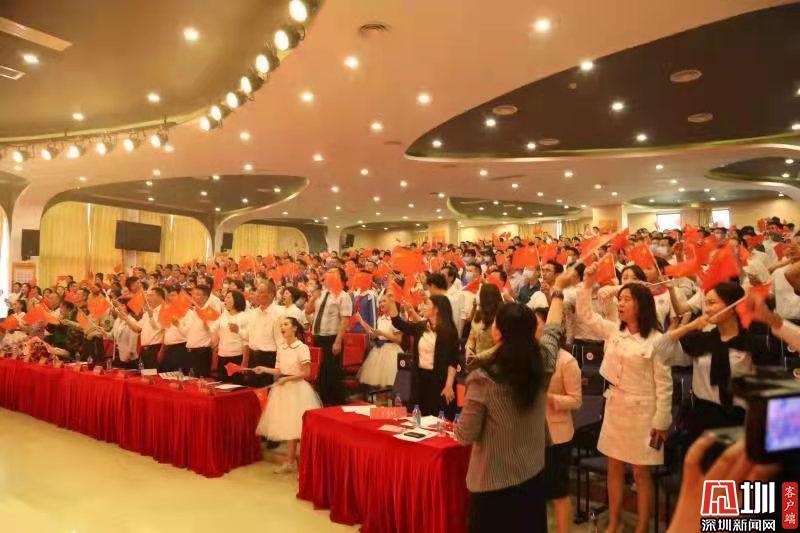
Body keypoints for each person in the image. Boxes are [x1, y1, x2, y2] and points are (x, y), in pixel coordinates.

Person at [454, 280, 564, 533]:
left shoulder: (482, 379)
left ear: (498, 333)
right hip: (532, 477)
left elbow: (465, 435)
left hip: (493, 487)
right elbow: (552, 332)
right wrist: (558, 290)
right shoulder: (542, 365)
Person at [578, 262, 673, 533]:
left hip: (644, 413)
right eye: (620, 299)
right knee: (614, 467)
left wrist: (662, 422)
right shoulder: (614, 331)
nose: (620, 304)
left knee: (641, 473)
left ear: (641, 305)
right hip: (616, 407)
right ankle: (615, 522)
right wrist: (588, 283)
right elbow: (585, 315)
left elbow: (665, 386)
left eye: (627, 299)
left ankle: (642, 527)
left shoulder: (656, 340)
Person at [254, 317, 322, 473]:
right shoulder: (282, 347)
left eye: (286, 324)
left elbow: (306, 373)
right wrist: (263, 369)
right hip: (283, 389)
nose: (282, 327)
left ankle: (305, 467)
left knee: (301, 430)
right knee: (289, 429)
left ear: (295, 328)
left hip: (298, 390)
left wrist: (287, 379)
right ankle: (290, 462)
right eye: (281, 325)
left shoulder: (302, 347)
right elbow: (279, 370)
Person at [388, 293, 459, 418]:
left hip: (439, 381)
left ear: (436, 309)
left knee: (437, 418)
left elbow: (452, 361)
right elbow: (399, 324)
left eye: (427, 304)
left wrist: (449, 385)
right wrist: (392, 303)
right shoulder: (421, 326)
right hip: (420, 378)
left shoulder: (449, 332)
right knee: (419, 417)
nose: (422, 307)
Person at [544, 346, 582, 533]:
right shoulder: (529, 356)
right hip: (531, 435)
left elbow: (576, 400)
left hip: (557, 435)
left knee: (559, 493)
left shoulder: (566, 361)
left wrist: (549, 398)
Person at [306, 268, 352, 405]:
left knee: (332, 372)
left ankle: (336, 402)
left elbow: (345, 320)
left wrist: (338, 341)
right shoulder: (321, 294)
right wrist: (313, 298)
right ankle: (323, 400)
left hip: (332, 338)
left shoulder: (343, 296)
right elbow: (308, 310)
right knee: (321, 371)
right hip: (318, 337)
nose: (325, 278)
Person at [355, 294, 402, 387]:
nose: (381, 304)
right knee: (376, 383)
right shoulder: (379, 319)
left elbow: (398, 339)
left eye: (384, 301)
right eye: (380, 302)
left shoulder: (396, 320)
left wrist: (383, 333)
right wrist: (362, 322)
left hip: (391, 352)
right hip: (378, 351)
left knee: (389, 381)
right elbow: (374, 333)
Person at [247, 283, 284, 387]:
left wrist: (279, 365)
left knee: (267, 390)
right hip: (253, 357)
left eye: (261, 292)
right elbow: (248, 336)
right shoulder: (253, 313)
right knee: (252, 390)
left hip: (269, 358)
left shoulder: (279, 314)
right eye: (257, 292)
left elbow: (281, 342)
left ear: (272, 294)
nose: (257, 295)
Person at [120, 287, 165, 369]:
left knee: (155, 374)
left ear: (160, 296)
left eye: (151, 295)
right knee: (145, 375)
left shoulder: (164, 311)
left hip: (156, 348)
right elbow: (137, 328)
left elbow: (157, 328)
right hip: (145, 349)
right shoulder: (147, 313)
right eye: (148, 295)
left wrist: (151, 316)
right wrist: (126, 319)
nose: (148, 298)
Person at [213, 290, 249, 384]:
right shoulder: (223, 315)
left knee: (235, 386)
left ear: (236, 300)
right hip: (222, 355)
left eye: (228, 297)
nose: (225, 299)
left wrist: (244, 361)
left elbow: (247, 340)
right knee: (222, 385)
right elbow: (214, 331)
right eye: (225, 297)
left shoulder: (244, 317)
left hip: (236, 356)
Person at [184, 285, 218, 377]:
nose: (194, 296)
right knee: (190, 380)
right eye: (193, 294)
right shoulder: (192, 312)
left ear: (206, 297)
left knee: (202, 380)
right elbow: (186, 332)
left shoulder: (210, 312)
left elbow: (215, 334)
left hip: (202, 352)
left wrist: (205, 322)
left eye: (198, 294)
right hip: (190, 350)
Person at [466, 283, 501, 362]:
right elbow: (471, 337)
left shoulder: (500, 317)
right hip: (476, 359)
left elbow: (499, 346)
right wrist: (468, 349)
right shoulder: (478, 314)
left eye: (479, 294)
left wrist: (479, 356)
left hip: (493, 361)